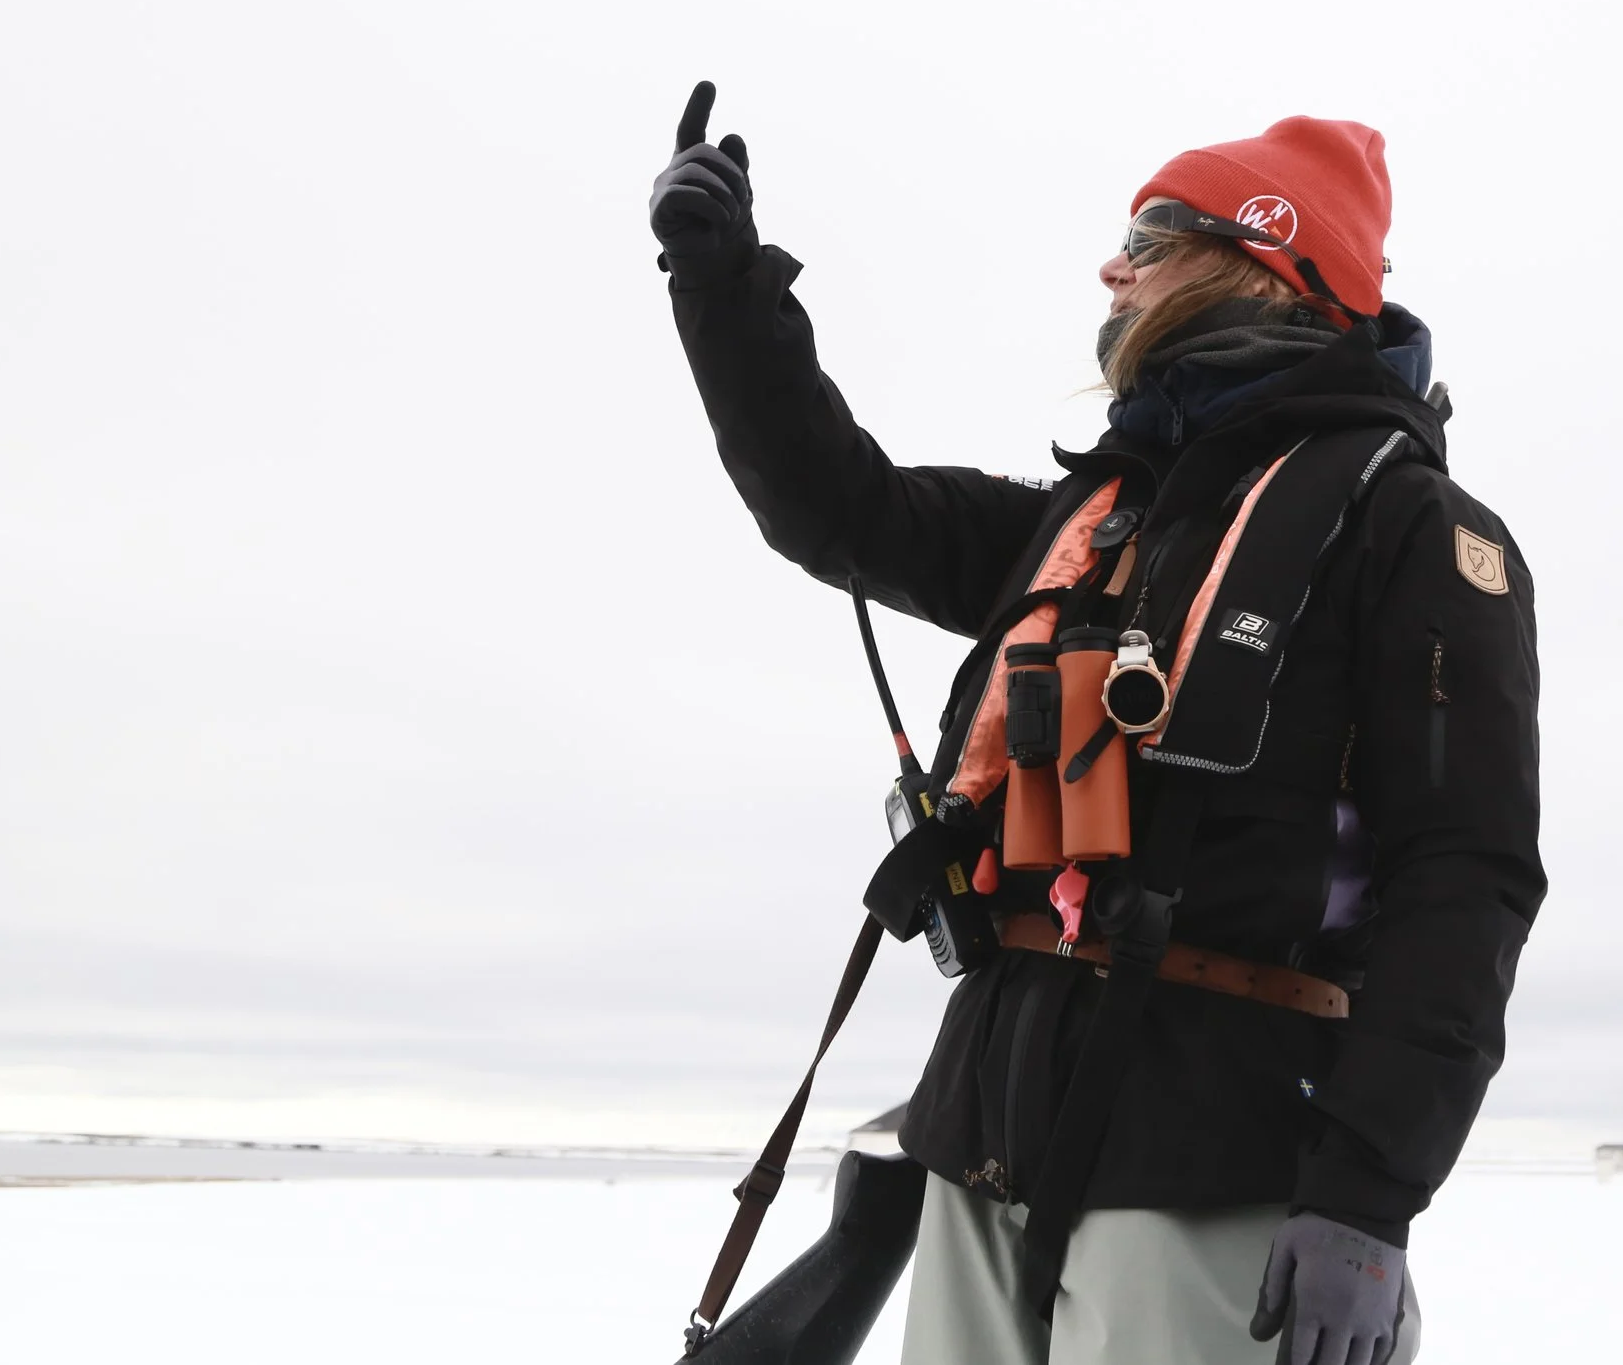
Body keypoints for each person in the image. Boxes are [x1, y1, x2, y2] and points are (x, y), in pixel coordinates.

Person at [652, 81, 1544, 1365]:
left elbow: (1466, 878)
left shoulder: (1417, 534)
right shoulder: (1085, 523)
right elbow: (834, 507)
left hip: (1219, 1161)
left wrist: (1366, 1191)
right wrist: (722, 289)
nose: (1113, 267)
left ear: (1263, 261)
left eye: (1156, 236)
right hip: (981, 1143)